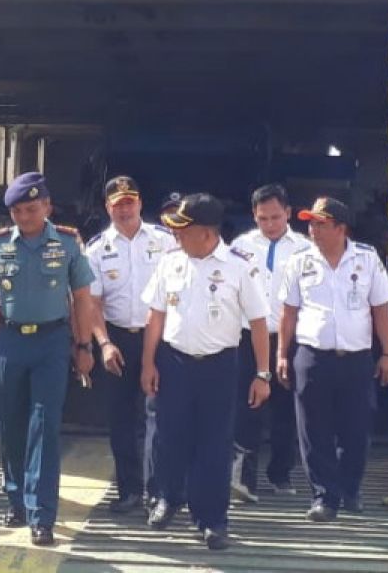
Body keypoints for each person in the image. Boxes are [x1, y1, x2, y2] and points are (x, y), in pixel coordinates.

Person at [0, 172, 119, 546]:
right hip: (10, 342)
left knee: (44, 427)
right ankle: (16, 496)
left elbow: (82, 297)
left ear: (47, 206)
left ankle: (41, 514)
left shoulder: (66, 243)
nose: (24, 217)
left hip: (51, 342)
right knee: (8, 424)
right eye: (17, 210)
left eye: (31, 209)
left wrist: (83, 347)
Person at [140, 193, 272, 551]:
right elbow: (156, 316)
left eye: (183, 229)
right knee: (169, 436)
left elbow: (258, 323)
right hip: (174, 361)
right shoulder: (170, 262)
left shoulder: (239, 265)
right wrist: (148, 363)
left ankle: (211, 519)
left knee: (214, 444)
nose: (176, 236)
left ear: (206, 231)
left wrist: (263, 374)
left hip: (219, 365)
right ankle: (167, 499)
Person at [278, 196, 388, 522]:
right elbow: (288, 312)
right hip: (312, 355)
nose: (313, 230)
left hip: (356, 358)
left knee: (356, 429)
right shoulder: (299, 261)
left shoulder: (367, 260)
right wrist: (282, 355)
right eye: (311, 223)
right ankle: (324, 497)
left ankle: (349, 489)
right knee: (314, 430)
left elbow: (381, 309)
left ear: (341, 228)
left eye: (321, 224)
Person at [84, 175, 177, 514]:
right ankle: (129, 491)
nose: (124, 208)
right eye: (117, 203)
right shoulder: (95, 249)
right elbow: (91, 304)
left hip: (162, 336)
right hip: (118, 338)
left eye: (129, 201)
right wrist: (104, 344)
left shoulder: (167, 240)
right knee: (120, 418)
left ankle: (159, 491)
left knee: (160, 415)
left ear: (139, 203)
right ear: (107, 207)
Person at [229, 183, 312, 500]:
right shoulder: (239, 246)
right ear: (254, 215)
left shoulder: (305, 248)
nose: (270, 224)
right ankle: (244, 478)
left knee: (286, 408)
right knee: (246, 406)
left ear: (288, 213)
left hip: (289, 336)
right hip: (248, 336)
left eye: (276, 217)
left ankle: (281, 473)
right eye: (263, 218)